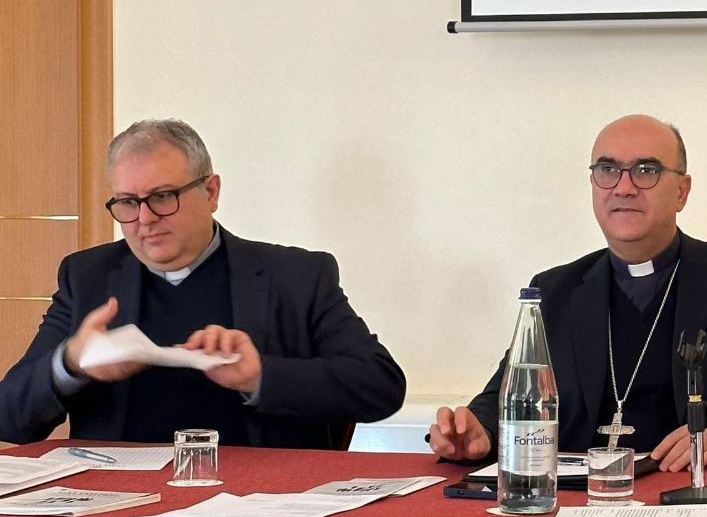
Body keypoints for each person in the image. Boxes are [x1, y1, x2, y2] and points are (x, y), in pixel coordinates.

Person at [432, 114, 707, 470]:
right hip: (578, 514)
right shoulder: (554, 290)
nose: (623, 187)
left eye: (646, 170)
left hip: (699, 513)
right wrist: (479, 431)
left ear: (682, 191)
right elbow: (505, 395)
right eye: (607, 170)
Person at [0, 119, 405, 448]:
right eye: (126, 202)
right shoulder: (87, 277)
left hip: (261, 511)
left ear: (210, 192)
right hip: (118, 515)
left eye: (162, 196)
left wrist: (259, 376)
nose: (144, 219)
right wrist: (69, 364)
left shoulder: (295, 276)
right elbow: (9, 419)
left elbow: (380, 385)